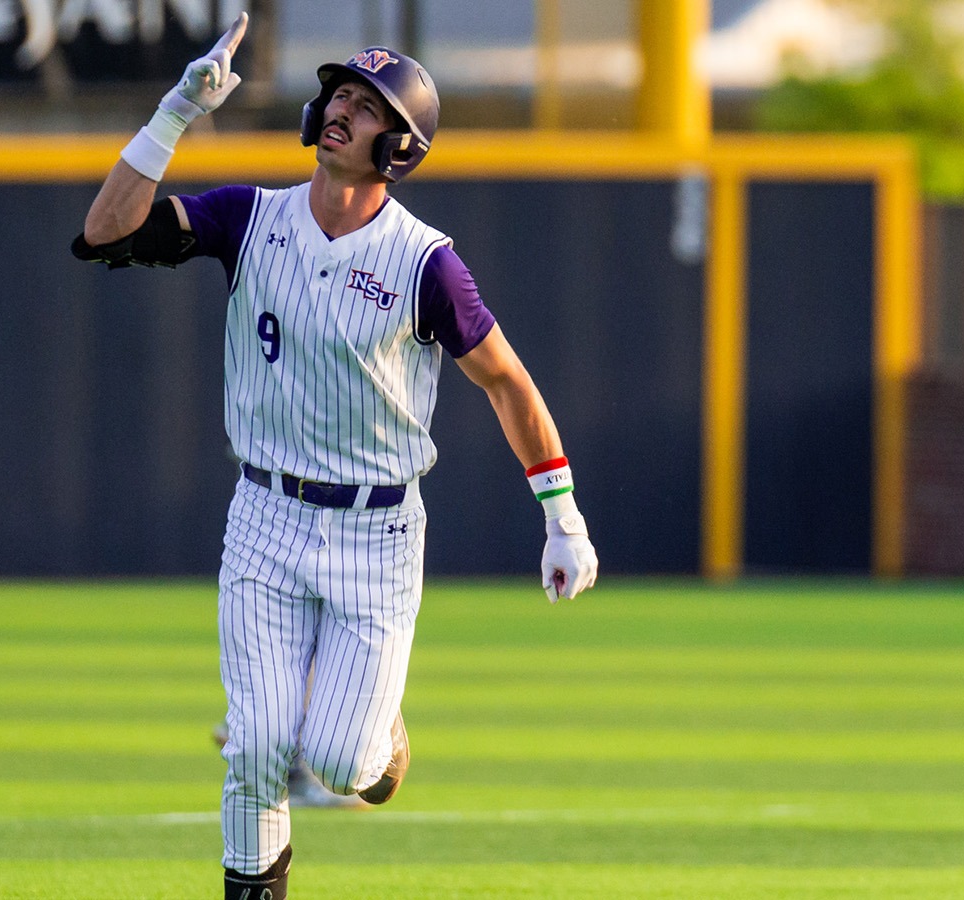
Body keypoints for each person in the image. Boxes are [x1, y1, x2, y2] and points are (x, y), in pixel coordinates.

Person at [72, 15, 599, 899]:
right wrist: (174, 113)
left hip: (378, 531)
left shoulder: (426, 263)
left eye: (367, 104)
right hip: (265, 515)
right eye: (340, 94)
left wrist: (564, 520)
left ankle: (381, 742)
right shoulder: (250, 217)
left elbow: (506, 381)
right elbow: (102, 233)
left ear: (400, 145)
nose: (342, 109)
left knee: (342, 763)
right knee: (256, 749)